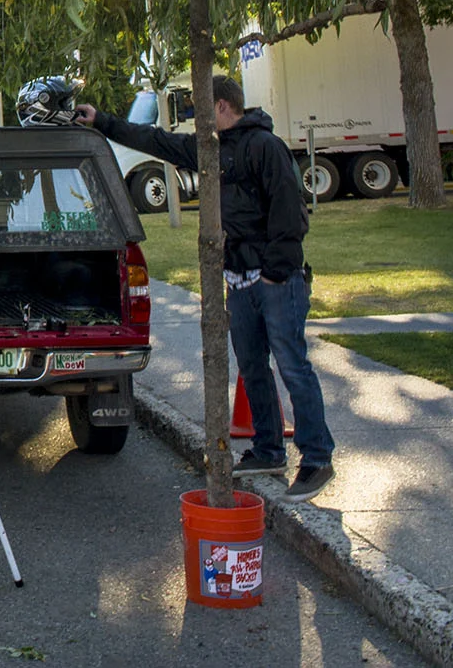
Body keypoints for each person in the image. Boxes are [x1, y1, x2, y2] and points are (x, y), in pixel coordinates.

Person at [76, 75, 335, 503]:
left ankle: (317, 459)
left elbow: (292, 218)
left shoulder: (265, 148)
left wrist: (272, 273)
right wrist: (102, 121)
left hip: (277, 282)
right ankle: (268, 450)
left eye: (200, 109)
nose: (195, 120)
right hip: (238, 281)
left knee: (294, 368)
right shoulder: (211, 151)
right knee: (252, 367)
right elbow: (155, 141)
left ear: (220, 107)